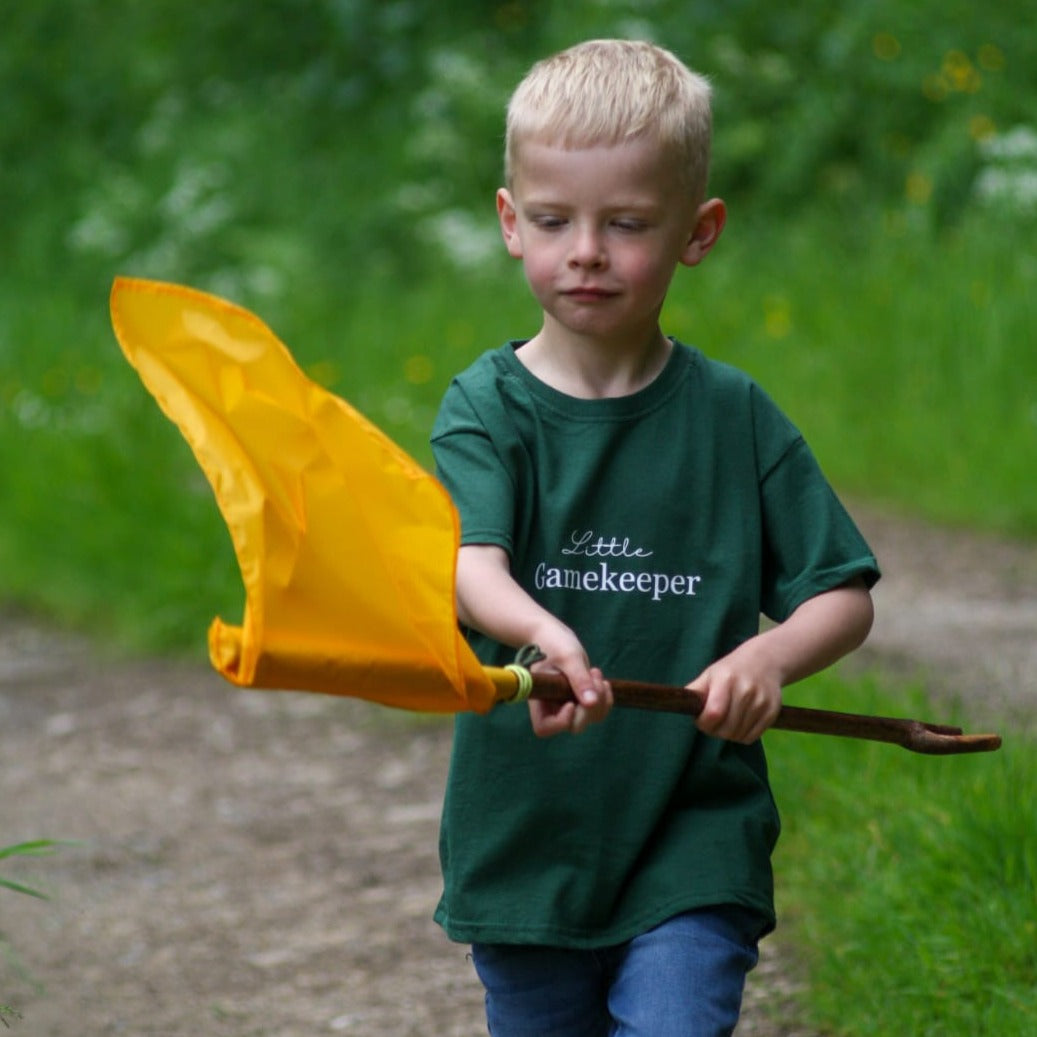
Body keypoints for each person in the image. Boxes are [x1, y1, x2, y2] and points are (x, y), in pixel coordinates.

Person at [429, 38, 879, 1037]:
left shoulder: (732, 416)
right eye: (552, 221)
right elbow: (470, 565)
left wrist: (767, 653)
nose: (584, 250)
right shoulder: (485, 407)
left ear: (696, 230)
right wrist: (544, 634)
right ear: (510, 222)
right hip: (524, 827)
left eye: (625, 223)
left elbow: (839, 591)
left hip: (692, 823)